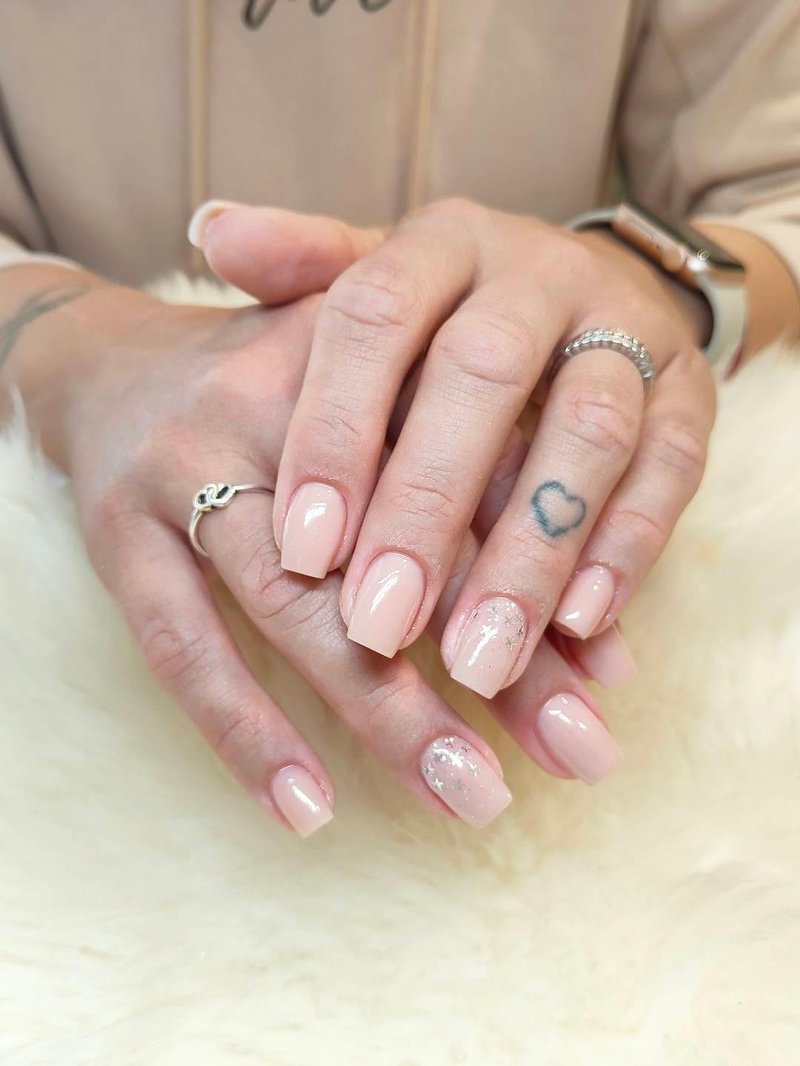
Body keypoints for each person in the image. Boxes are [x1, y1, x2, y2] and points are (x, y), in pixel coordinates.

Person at [1, 1, 798, 837]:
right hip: (68, 614)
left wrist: (636, 277)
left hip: (551, 459)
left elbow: (781, 185)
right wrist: (80, 353)